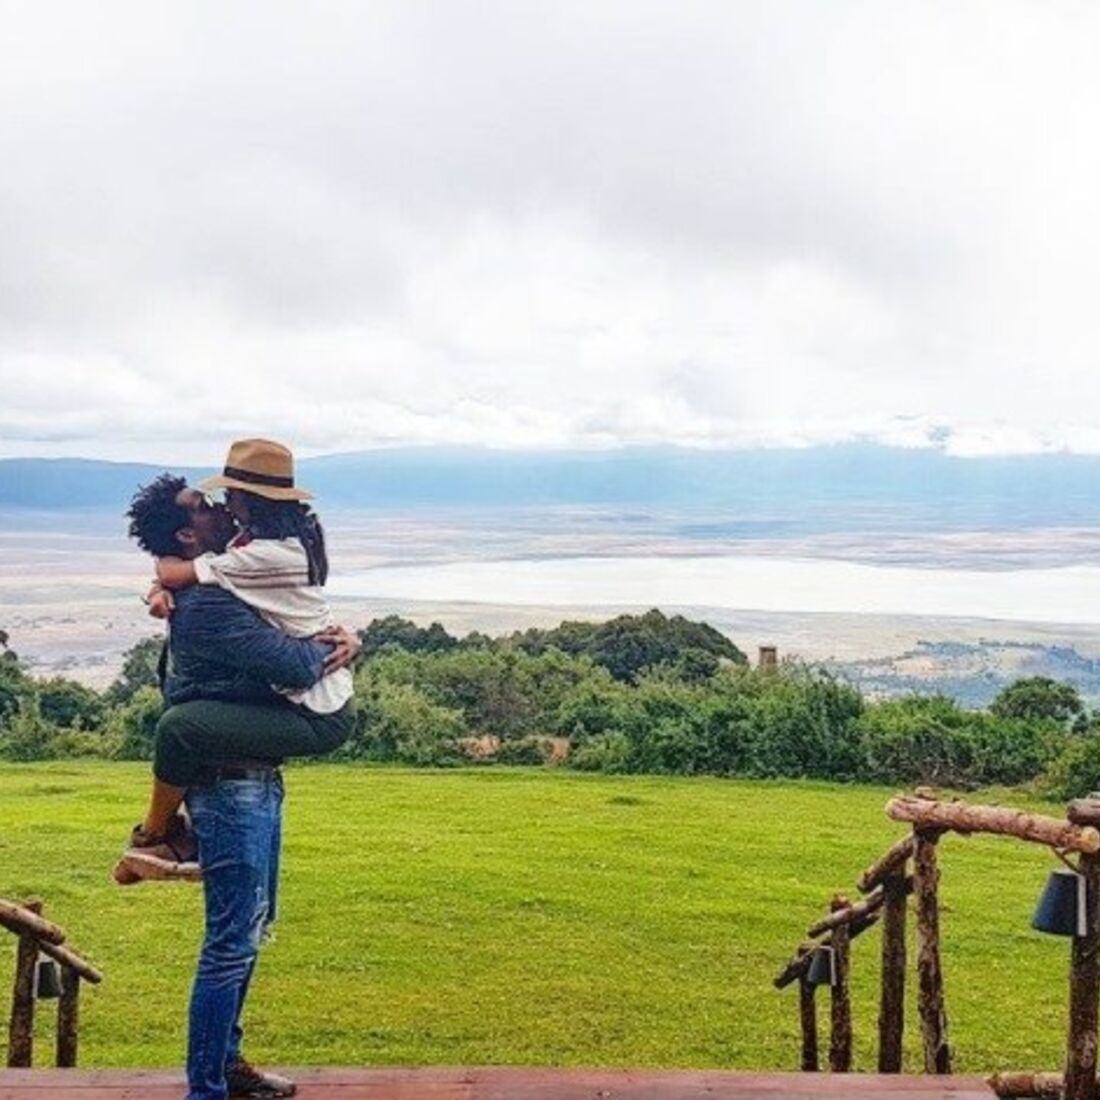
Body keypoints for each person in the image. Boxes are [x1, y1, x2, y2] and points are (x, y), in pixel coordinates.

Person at [122, 459, 361, 1100]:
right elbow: (293, 662)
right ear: (186, 536)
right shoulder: (208, 608)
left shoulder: (227, 573)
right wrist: (340, 644)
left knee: (248, 931)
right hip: (231, 788)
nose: (222, 506)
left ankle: (226, 1064)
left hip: (255, 777)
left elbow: (230, 588)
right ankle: (208, 1087)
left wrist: (157, 585)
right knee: (230, 940)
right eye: (204, 504)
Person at [115, 439, 354, 883]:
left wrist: (349, 641)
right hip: (299, 701)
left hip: (317, 708)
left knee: (178, 726)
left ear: (251, 503)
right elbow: (172, 570)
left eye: (228, 496)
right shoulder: (246, 552)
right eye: (208, 503)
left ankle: (154, 836)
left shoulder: (257, 555)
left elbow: (299, 668)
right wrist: (157, 589)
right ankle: (165, 837)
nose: (223, 504)